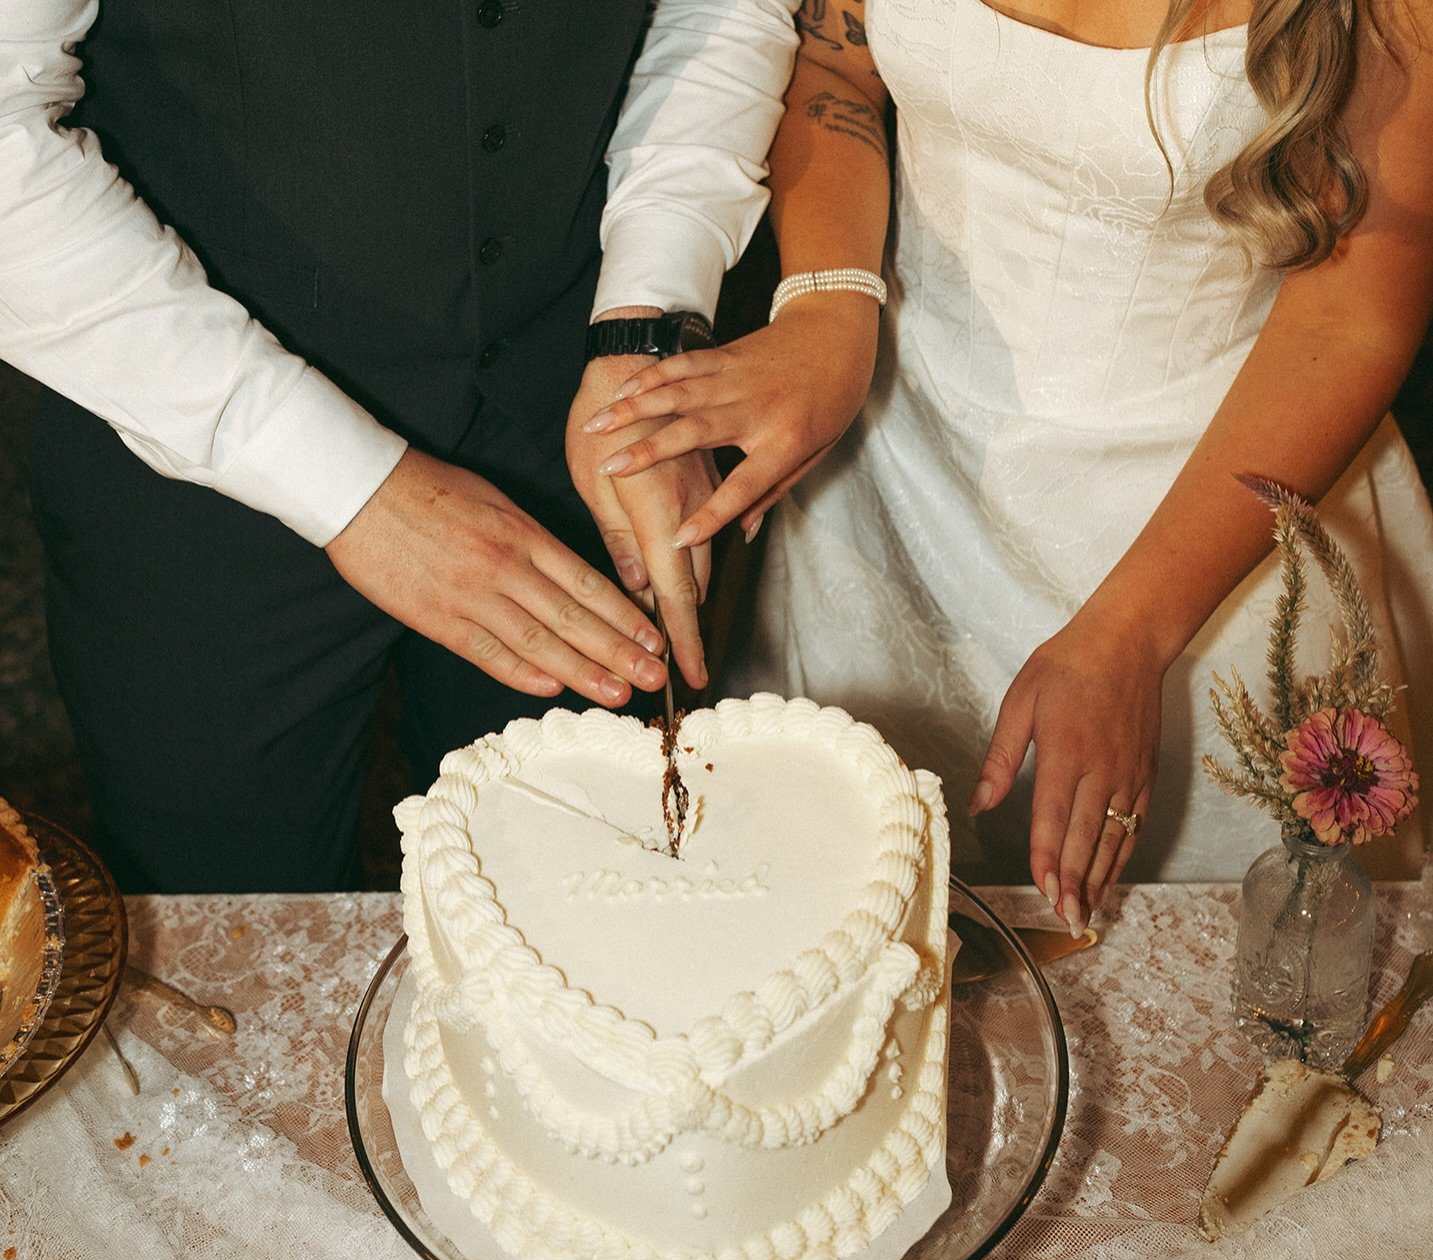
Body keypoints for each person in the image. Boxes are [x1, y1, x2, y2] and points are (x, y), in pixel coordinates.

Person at [571, 0, 1433, 929]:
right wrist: (830, 304)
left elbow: (1354, 313)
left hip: (1210, 516)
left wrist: (1134, 635)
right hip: (893, 467)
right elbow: (835, 66)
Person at [0, 0, 797, 891]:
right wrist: (341, 481)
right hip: (185, 436)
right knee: (234, 930)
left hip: (571, 393)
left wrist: (648, 316)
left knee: (577, 894)